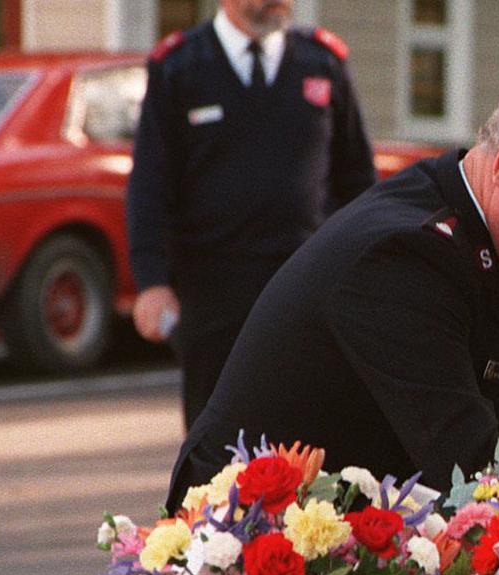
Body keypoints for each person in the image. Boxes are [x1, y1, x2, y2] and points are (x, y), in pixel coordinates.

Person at [166, 71, 499, 511]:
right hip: (239, 532)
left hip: (324, 526)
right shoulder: (405, 253)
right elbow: (465, 459)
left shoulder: (483, 221)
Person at [128, 0, 375, 429]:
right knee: (215, 447)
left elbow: (358, 183)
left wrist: (365, 270)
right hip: (213, 294)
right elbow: (150, 187)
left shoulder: (323, 63)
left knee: (311, 444)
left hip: (306, 287)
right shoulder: (180, 68)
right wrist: (152, 282)